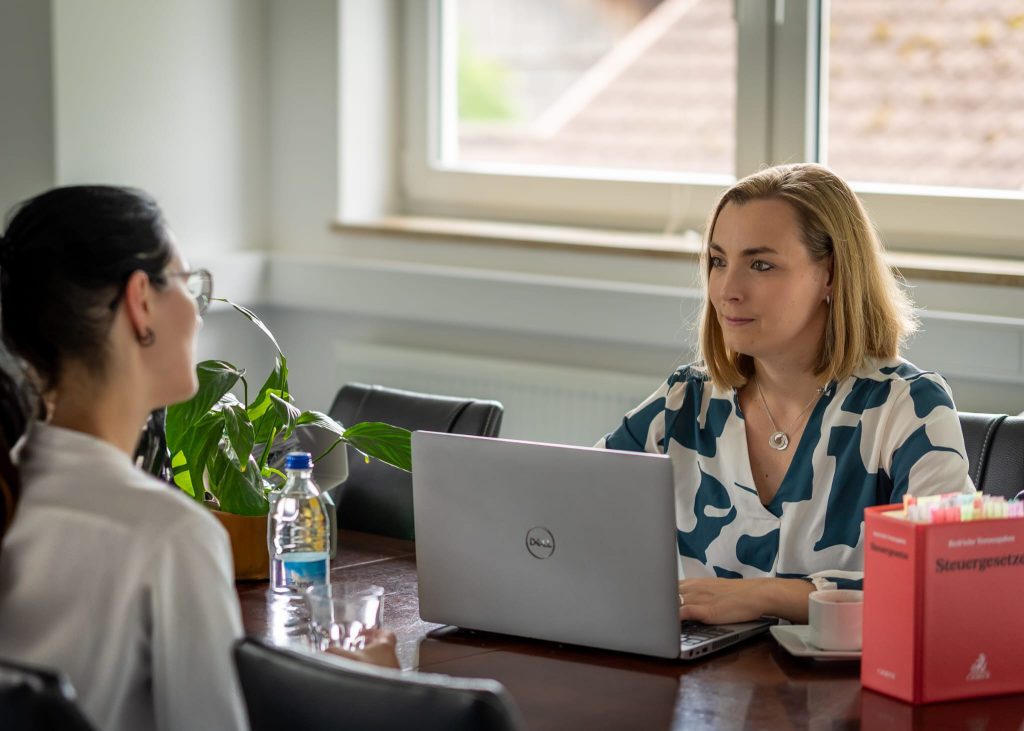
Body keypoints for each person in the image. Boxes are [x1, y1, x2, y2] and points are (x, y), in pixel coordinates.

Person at [0, 186, 395, 731]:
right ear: (141, 303)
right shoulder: (167, 536)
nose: (198, 312)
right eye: (189, 284)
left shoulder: (11, 490)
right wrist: (361, 697)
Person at [598, 163, 973, 626]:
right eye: (718, 261)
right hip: (702, 690)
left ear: (831, 275)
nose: (727, 290)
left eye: (760, 265)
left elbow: (949, 586)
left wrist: (766, 597)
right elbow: (568, 511)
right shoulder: (684, 401)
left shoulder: (908, 409)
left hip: (848, 693)